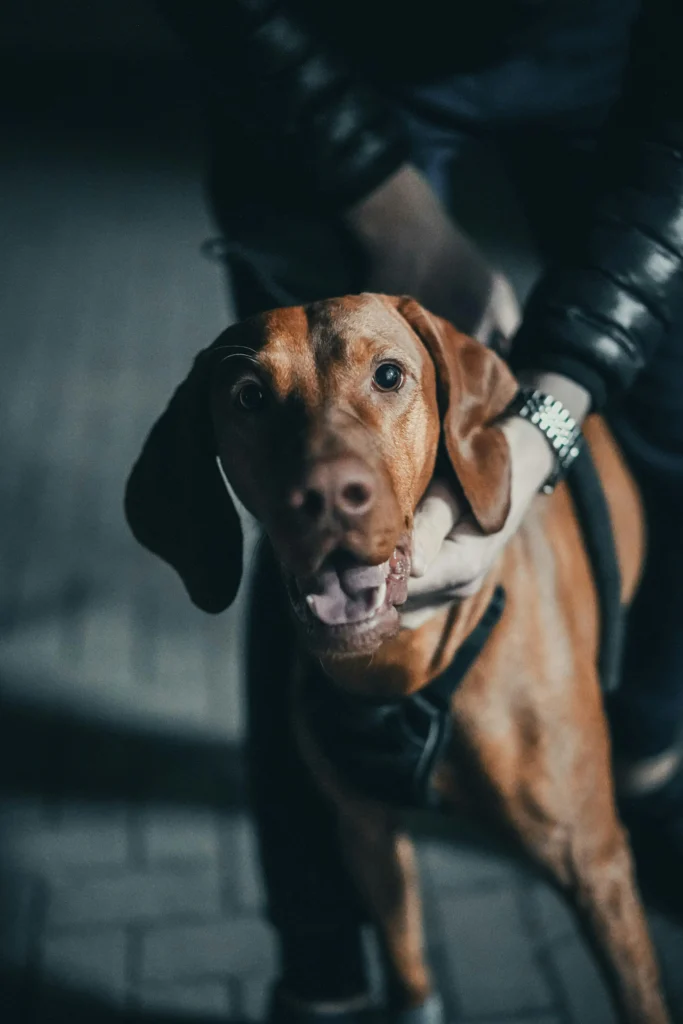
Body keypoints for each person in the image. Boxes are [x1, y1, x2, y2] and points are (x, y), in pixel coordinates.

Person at [158, 1, 683, 1018]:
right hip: (318, 49)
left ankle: (648, 766)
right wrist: (384, 206)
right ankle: (325, 960)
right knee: (308, 524)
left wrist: (543, 420)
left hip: (614, 57)